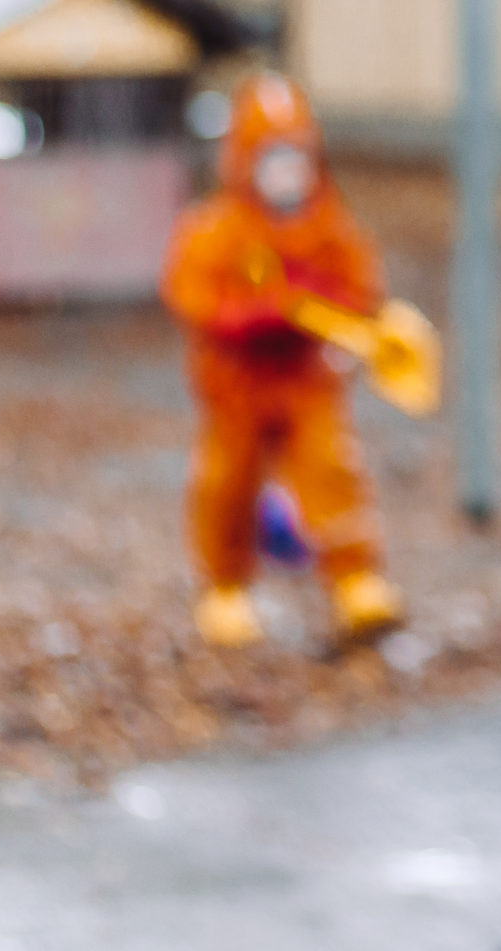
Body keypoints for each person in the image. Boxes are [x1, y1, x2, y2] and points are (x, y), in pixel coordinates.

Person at [161, 72, 408, 649]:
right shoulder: (217, 228)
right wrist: (246, 316)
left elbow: (359, 285)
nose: (285, 175)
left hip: (307, 381)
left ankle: (356, 580)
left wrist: (332, 311)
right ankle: (225, 588)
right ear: (243, 163)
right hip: (237, 385)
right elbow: (190, 291)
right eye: (271, 160)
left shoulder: (328, 227)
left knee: (331, 471)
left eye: (295, 160)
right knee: (227, 482)